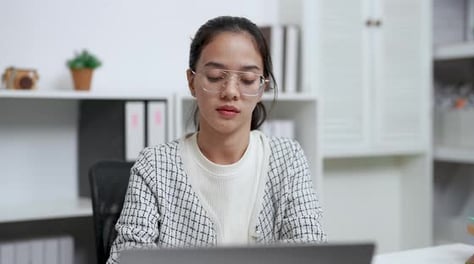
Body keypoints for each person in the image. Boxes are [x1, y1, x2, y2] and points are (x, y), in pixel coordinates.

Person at [107, 15, 326, 264]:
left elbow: (310, 250)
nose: (230, 92)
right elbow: (125, 259)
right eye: (214, 77)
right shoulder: (155, 166)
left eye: (247, 80)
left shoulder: (288, 159)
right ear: (192, 81)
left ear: (261, 89)